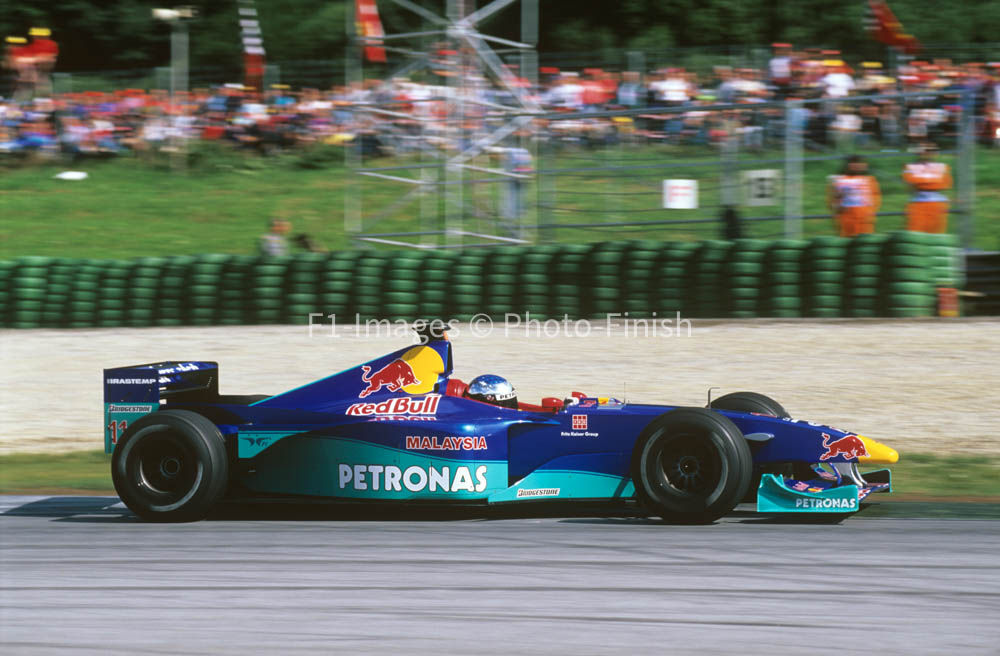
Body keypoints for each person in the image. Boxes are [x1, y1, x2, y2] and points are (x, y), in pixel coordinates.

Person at [902, 144, 952, 233]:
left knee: (936, 231)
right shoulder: (910, 166)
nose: (926, 153)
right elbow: (910, 182)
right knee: (915, 231)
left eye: (930, 151)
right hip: (918, 202)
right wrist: (932, 181)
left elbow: (945, 184)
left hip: (938, 202)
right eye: (923, 151)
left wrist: (922, 181)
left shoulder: (943, 166)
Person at [828, 155, 881, 237]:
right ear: (848, 165)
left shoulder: (870, 180)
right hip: (846, 221)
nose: (857, 166)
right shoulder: (839, 180)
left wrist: (870, 213)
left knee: (865, 240)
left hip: (865, 220)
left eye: (860, 163)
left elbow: (876, 198)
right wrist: (837, 210)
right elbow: (833, 200)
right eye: (854, 163)